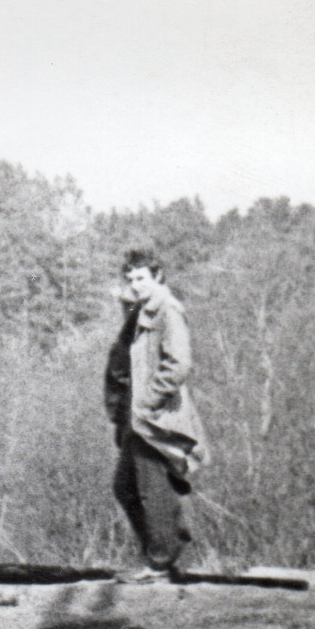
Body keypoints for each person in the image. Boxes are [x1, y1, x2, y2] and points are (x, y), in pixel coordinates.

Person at [104, 249, 207, 581]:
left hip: (155, 416)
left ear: (158, 276)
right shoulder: (142, 309)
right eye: (130, 279)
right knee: (126, 486)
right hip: (137, 416)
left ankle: (161, 562)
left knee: (152, 488)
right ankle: (163, 551)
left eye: (142, 278)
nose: (135, 285)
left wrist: (148, 402)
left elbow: (179, 364)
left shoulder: (167, 310)